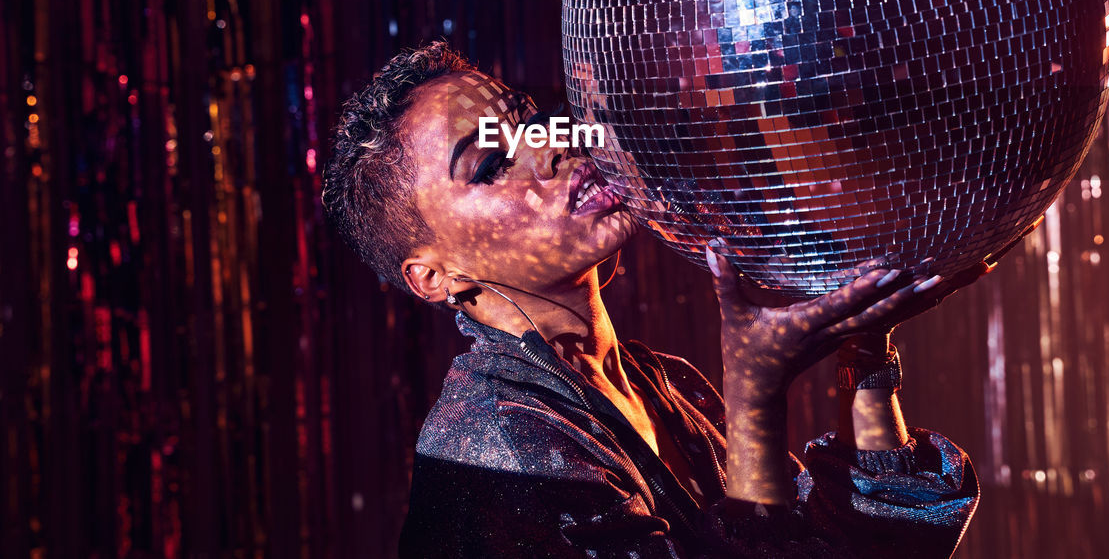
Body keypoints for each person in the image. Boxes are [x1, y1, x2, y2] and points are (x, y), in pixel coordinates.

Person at [322, 40, 1000, 558]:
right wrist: (756, 396)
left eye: (529, 120)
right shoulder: (490, 453)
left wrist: (865, 362)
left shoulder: (664, 385)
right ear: (434, 275)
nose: (551, 149)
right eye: (491, 163)